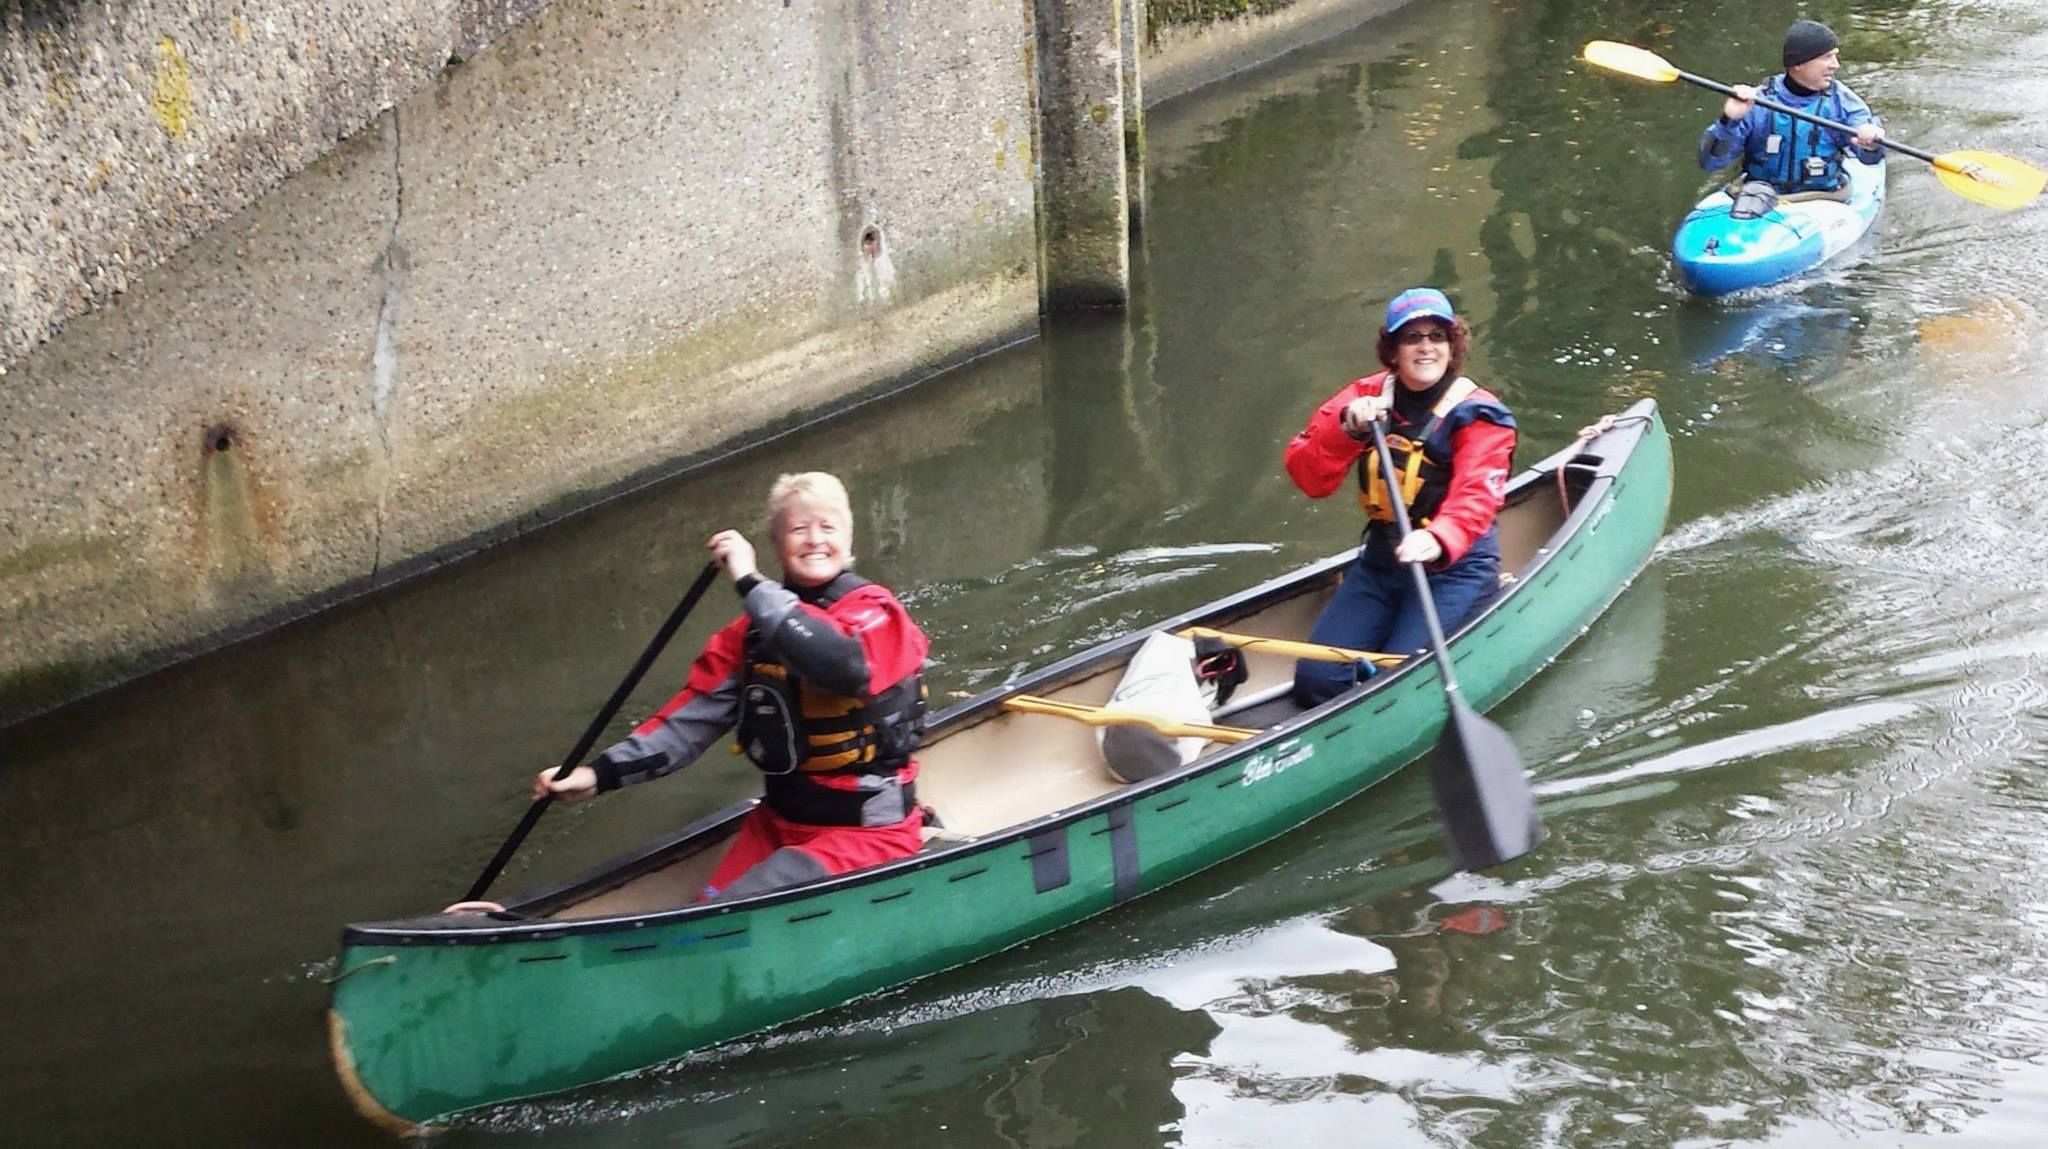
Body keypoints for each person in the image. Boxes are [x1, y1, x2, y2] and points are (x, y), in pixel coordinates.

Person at [533, 472, 931, 901]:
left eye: (828, 527)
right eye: (798, 529)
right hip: (780, 822)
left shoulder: (876, 615)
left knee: (737, 910)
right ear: (777, 545)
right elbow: (686, 726)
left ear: (849, 542)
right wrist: (598, 775)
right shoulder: (746, 639)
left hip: (868, 833)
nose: (814, 539)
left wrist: (750, 581)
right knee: (709, 908)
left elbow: (840, 666)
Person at [1282, 288, 1515, 707]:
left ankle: (1482, 602)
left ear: (1452, 345)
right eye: (1412, 338)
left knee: (1399, 686)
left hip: (1454, 568)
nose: (1426, 348)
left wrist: (1439, 538)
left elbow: (1478, 493)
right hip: (1382, 562)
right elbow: (1308, 476)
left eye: (1437, 336)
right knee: (1316, 680)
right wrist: (1345, 431)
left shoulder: (1479, 414)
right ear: (1393, 349)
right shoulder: (1364, 397)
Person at [1699, 19, 1886, 197]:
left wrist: (1871, 143)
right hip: (1759, 198)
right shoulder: (1757, 103)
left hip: (1824, 199)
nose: (1835, 65)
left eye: (1835, 56)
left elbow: (1869, 160)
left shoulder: (1844, 103)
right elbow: (1710, 163)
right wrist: (1729, 120)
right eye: (1827, 57)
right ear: (1798, 64)